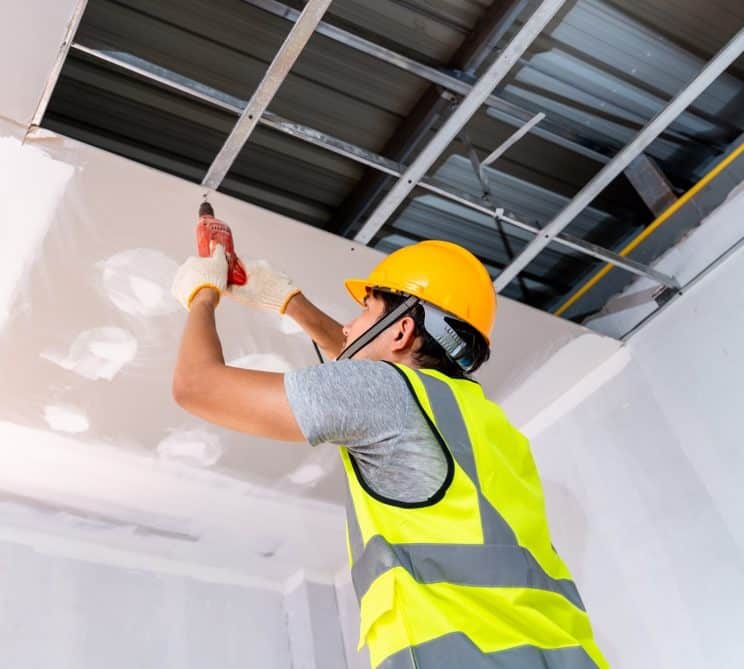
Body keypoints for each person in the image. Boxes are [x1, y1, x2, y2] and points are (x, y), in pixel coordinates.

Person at [171, 229, 608, 669]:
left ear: (400, 331)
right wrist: (287, 301)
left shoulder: (387, 396)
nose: (348, 325)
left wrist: (203, 293)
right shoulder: (485, 423)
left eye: (364, 310)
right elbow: (370, 366)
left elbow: (196, 386)